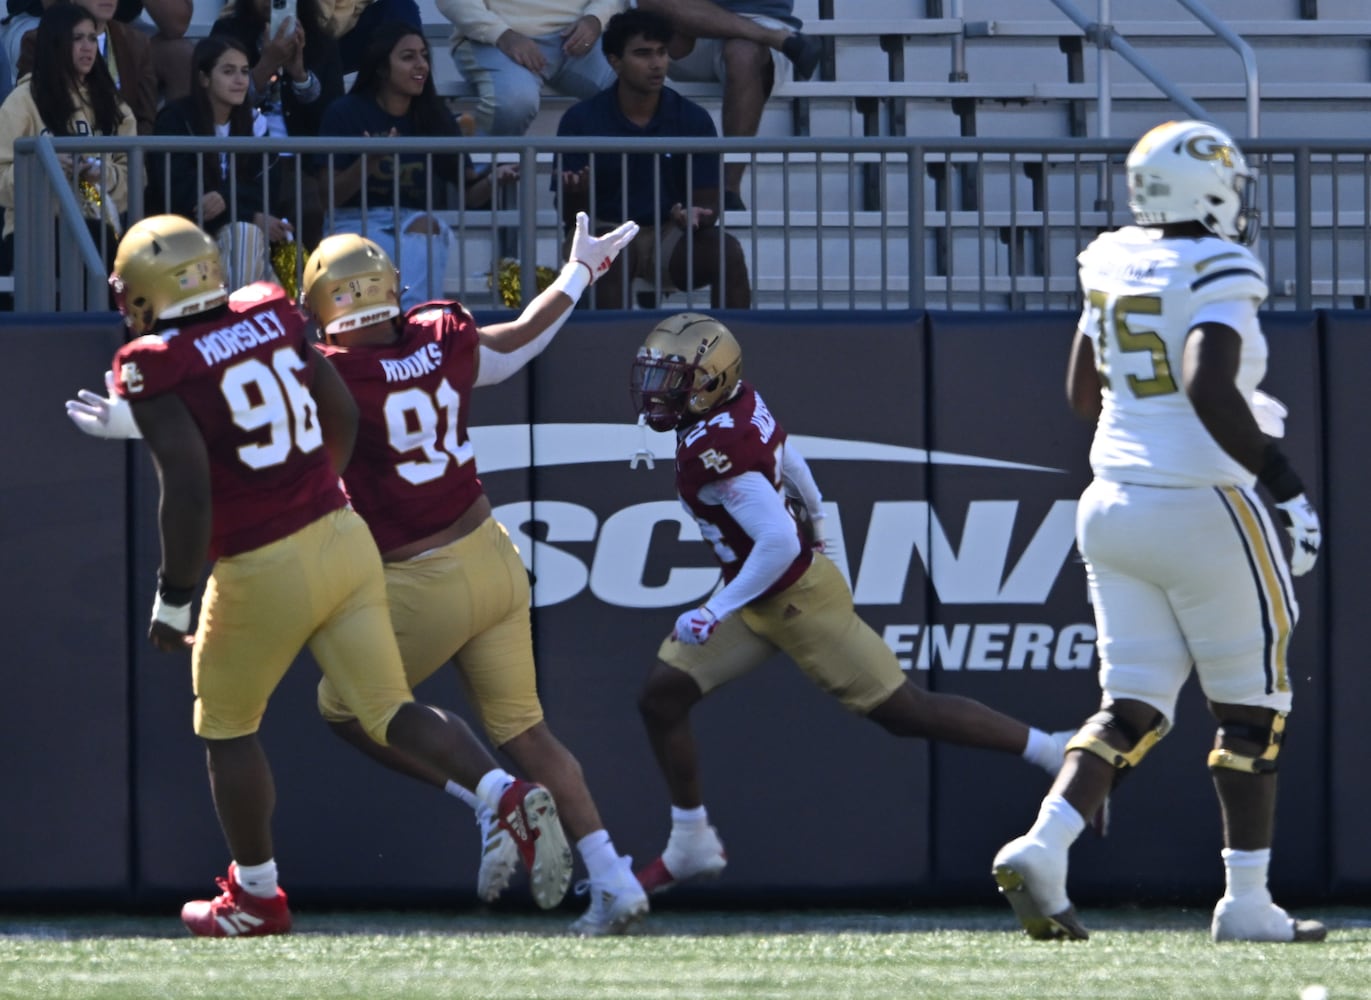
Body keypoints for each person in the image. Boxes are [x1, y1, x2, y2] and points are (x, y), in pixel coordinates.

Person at [79, 214, 575, 936]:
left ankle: (255, 896)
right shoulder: (270, 309)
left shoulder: (153, 361)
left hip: (260, 563)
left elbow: (185, 490)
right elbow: (336, 410)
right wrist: (317, 490)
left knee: (225, 727)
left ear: (146, 292)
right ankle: (499, 791)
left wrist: (176, 599)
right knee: (385, 708)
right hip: (344, 538)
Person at [989, 120, 1327, 945]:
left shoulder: (1106, 257)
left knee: (1130, 703)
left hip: (1109, 501)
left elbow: (1081, 390)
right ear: (1209, 188)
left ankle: (1044, 844)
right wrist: (1283, 485)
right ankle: (1246, 902)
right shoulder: (1219, 264)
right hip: (1201, 500)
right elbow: (1208, 383)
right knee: (1251, 711)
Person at [628, 311, 1075, 895]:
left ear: (711, 379)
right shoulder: (732, 407)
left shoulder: (715, 447)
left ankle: (1056, 751)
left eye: (672, 379)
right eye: (654, 376)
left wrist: (716, 609)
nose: (656, 393)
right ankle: (691, 842)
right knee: (662, 698)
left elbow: (778, 542)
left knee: (905, 712)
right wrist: (817, 511)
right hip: (758, 593)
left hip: (793, 598)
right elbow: (787, 456)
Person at [294, 215, 652, 935]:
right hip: (493, 555)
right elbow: (517, 342)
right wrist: (579, 271)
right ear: (391, 291)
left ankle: (493, 800)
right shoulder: (437, 337)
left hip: (419, 577)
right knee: (528, 730)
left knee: (346, 706)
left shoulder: (332, 373)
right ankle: (614, 880)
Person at [556, 7, 750, 310]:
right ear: (614, 62)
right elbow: (571, 217)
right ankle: (610, 355)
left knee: (728, 253)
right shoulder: (580, 120)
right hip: (606, 231)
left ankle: (732, 353)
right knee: (611, 255)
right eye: (643, 54)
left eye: (661, 52)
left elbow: (708, 203)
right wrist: (577, 194)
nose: (657, 63)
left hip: (669, 235)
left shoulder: (693, 118)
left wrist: (696, 216)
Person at [315, 20, 514, 311]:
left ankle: (413, 320)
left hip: (409, 219)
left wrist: (495, 178)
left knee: (427, 226)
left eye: (424, 56)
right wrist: (368, 162)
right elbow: (328, 197)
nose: (421, 65)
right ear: (382, 67)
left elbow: (470, 192)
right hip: (352, 220)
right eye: (408, 57)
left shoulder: (434, 117)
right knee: (380, 244)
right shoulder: (345, 112)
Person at [631, 0, 820, 210]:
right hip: (689, 26)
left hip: (757, 20)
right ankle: (773, 38)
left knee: (743, 52)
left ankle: (728, 188)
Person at [149, 35, 291, 291]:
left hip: (241, 236)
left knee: (248, 239)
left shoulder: (254, 123)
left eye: (245, 72)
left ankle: (229, 321)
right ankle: (234, 324)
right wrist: (246, 212)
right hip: (184, 236)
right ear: (204, 78)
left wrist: (227, 199)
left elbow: (267, 189)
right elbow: (182, 193)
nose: (240, 80)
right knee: (247, 237)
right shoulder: (175, 119)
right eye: (228, 71)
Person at [0, 1, 134, 269]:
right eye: (77, 38)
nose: (88, 47)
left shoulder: (115, 105)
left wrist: (101, 173)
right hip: (34, 230)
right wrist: (43, 169)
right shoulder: (21, 101)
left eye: (92, 39)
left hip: (103, 227)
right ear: (55, 43)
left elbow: (134, 177)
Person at [433, 0, 621, 137]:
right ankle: (476, 173)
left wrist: (596, 18)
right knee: (515, 102)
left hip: (578, 37)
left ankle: (618, 184)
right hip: (494, 40)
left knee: (631, 89)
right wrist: (502, 35)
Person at [16, 0, 158, 135]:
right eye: (77, 38)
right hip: (61, 152)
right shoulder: (40, 39)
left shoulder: (137, 42)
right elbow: (32, 108)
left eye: (92, 39)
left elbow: (145, 119)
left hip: (122, 154)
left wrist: (128, 157)